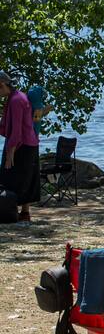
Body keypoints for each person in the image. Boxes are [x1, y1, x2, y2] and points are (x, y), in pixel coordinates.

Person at [0, 72, 39, 222]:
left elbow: (16, 131)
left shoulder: (16, 100)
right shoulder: (14, 97)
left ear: (2, 85)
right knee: (26, 178)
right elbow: (8, 127)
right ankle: (24, 213)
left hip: (22, 145)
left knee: (12, 178)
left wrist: (10, 151)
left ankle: (14, 212)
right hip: (28, 143)